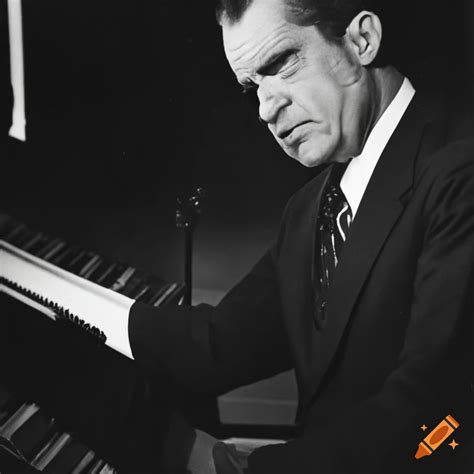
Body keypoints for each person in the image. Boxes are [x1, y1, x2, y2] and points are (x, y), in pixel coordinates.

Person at [128, 0, 474, 473]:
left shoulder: (461, 173)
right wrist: (55, 310)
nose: (266, 109)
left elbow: (428, 409)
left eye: (281, 63)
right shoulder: (312, 208)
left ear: (362, 40)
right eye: (252, 86)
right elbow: (220, 344)